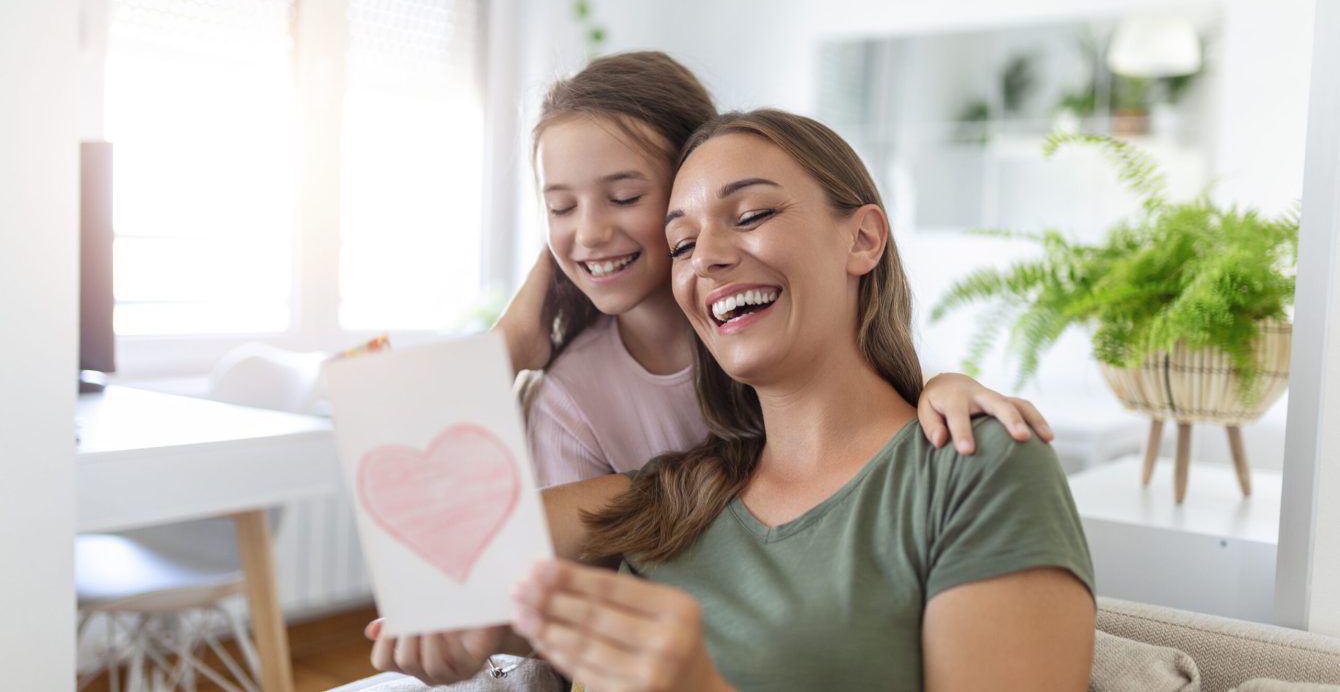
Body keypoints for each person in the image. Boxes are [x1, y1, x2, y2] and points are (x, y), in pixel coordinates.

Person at [371, 110, 1096, 691]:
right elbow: (414, 536)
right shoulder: (671, 495)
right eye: (680, 244)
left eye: (749, 216)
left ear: (863, 238)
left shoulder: (972, 465)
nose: (708, 257)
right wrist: (522, 331)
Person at [493, 51, 1056, 489]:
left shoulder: (781, 336)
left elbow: (863, 430)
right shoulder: (572, 398)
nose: (588, 233)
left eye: (623, 196)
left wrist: (939, 390)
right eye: (560, 207)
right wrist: (508, 345)